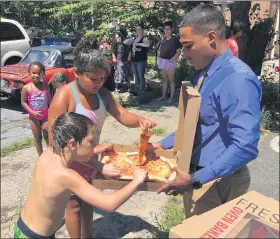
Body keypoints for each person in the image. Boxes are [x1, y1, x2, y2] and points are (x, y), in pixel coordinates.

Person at [149, 4, 262, 219]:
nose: (183, 54)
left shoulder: (237, 79)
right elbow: (198, 125)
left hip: (218, 182)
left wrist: (195, 179)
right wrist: (160, 145)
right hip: (200, 176)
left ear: (211, 37)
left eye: (188, 46)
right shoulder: (204, 74)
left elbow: (245, 146)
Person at [48, 37, 156, 238]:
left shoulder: (102, 93)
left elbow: (123, 115)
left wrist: (142, 120)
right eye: (93, 78)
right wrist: (98, 164)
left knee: (89, 201)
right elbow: (55, 144)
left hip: (90, 157)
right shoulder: (64, 96)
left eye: (102, 78)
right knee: (73, 205)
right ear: (77, 73)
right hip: (69, 162)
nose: (98, 83)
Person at [14, 112, 147, 239]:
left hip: (22, 227)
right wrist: (136, 181)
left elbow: (77, 156)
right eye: (91, 142)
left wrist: (97, 158)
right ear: (72, 143)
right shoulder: (67, 176)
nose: (93, 145)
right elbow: (109, 204)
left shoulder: (48, 153)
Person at [21, 61, 52, 156]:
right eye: (34, 73)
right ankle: (41, 157)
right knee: (38, 138)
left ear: (42, 74)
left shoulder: (45, 85)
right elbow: (23, 102)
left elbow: (50, 99)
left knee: (47, 135)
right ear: (29, 73)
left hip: (45, 116)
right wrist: (32, 112)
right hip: (33, 117)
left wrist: (52, 110)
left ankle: (50, 155)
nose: (36, 75)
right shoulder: (26, 88)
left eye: (39, 73)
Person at [157, 21, 182, 103]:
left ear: (172, 30)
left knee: (171, 81)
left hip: (170, 62)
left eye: (168, 29)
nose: (167, 31)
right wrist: (159, 57)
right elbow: (160, 49)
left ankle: (171, 97)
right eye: (165, 29)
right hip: (162, 61)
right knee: (164, 80)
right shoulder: (163, 38)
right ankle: (163, 96)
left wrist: (171, 60)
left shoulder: (175, 39)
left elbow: (178, 52)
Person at [123, 23, 150, 95]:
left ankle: (142, 89)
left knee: (141, 75)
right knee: (136, 75)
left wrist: (138, 44)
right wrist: (130, 40)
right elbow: (125, 42)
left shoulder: (144, 38)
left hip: (141, 60)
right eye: (137, 29)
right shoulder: (134, 38)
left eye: (140, 29)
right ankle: (137, 89)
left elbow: (147, 44)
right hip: (134, 60)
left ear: (142, 30)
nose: (138, 30)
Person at [111, 23, 133, 93]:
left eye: (124, 26)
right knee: (118, 73)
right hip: (119, 58)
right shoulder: (117, 36)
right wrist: (114, 57)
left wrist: (130, 55)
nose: (123, 27)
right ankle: (117, 88)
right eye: (122, 26)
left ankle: (128, 87)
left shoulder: (128, 36)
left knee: (128, 73)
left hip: (127, 58)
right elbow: (112, 48)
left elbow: (131, 47)